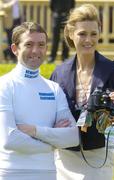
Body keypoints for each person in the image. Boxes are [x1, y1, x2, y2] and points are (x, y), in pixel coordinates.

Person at [50, 4, 114, 180]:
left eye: (93, 34)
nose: (88, 39)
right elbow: (49, 116)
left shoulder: (113, 71)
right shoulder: (59, 73)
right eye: (82, 33)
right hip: (63, 157)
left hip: (99, 156)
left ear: (100, 33)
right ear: (71, 33)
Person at [0, 21, 79, 180]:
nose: (35, 50)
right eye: (28, 44)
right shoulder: (5, 85)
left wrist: (36, 131)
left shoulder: (54, 89)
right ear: (15, 49)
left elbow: (73, 137)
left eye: (41, 44)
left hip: (48, 173)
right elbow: (10, 139)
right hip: (12, 174)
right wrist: (53, 143)